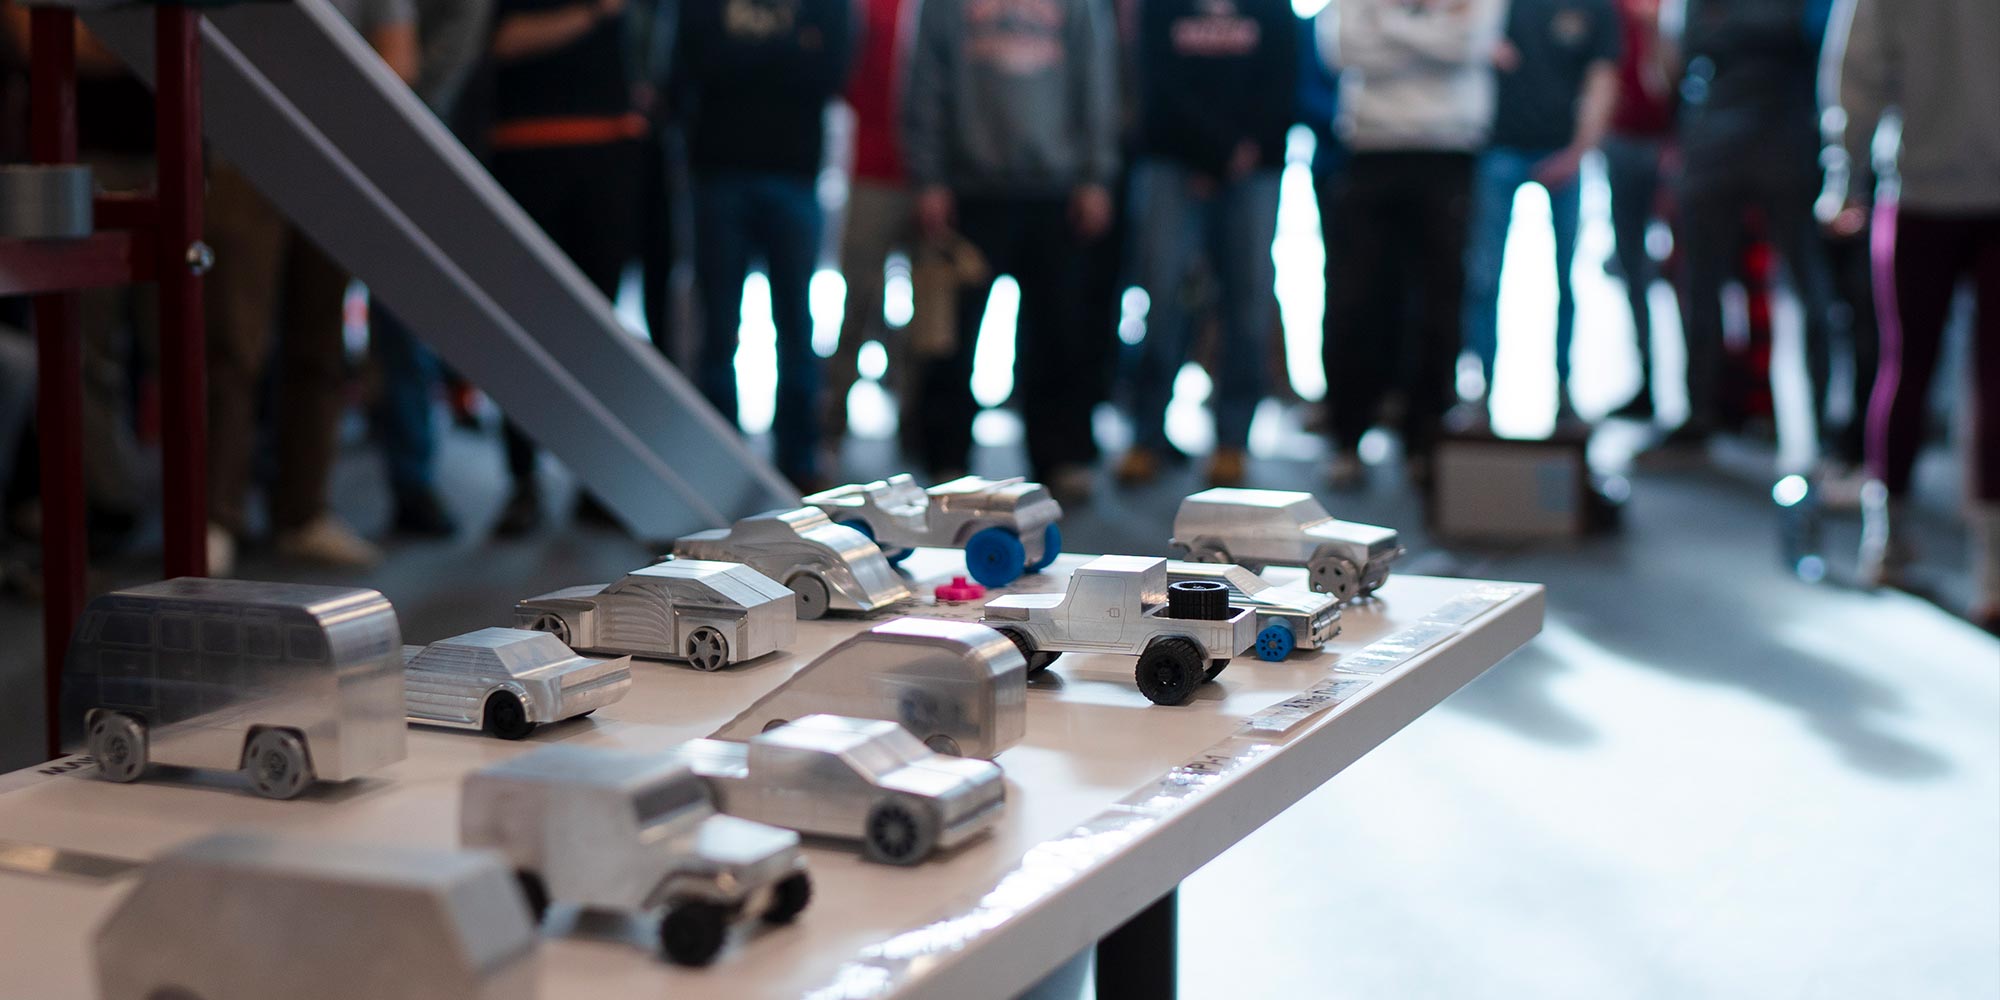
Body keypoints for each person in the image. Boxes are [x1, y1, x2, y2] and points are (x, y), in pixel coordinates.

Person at [202, 0, 416, 574]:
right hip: (241, 155)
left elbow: (396, 56)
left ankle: (303, 513)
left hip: (331, 162)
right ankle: (215, 516)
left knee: (319, 344)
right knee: (231, 345)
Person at [1827, 0, 2000, 627]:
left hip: (1921, 193)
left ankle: (1890, 540)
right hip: (1925, 192)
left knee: (1907, 365)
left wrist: (1844, 176)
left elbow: (1855, 72)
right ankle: (1985, 570)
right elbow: (1859, 69)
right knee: (1964, 376)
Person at [903, 0, 1117, 498]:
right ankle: (945, 459)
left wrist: (1095, 176)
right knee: (953, 335)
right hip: (969, 190)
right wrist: (929, 177)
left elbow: (1097, 82)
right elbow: (924, 82)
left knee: (1058, 332)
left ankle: (1059, 456)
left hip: (1057, 189)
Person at [1318, 0, 1503, 490]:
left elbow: (1469, 45)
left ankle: (1425, 437)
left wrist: (1387, 23)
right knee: (1356, 297)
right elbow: (1342, 48)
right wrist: (1430, 33)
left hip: (1449, 149)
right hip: (1369, 148)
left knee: (1440, 302)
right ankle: (1347, 435)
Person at [1113, 0, 1296, 489]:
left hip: (1253, 167)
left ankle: (1233, 439)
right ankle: (1145, 433)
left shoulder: (1272, 7)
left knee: (1248, 302)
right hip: (1173, 162)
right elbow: (1154, 80)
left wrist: (1239, 152)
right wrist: (1209, 153)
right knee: (1162, 297)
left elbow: (1283, 77)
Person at [676, 0, 852, 491]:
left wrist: (743, 57)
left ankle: (798, 457)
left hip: (793, 171)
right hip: (719, 171)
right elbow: (697, 61)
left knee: (796, 323)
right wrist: (790, 49)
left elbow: (832, 69)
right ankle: (717, 459)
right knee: (717, 327)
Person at [485, 0, 646, 535]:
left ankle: (597, 481)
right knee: (522, 328)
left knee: (600, 330)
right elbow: (500, 40)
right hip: (526, 151)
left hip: (607, 151)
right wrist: (590, 14)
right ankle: (522, 479)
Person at [1668, 0, 1835, 450]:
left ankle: (1821, 421)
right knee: (1701, 286)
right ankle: (1701, 411)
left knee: (1807, 288)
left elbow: (1822, 37)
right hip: (1722, 146)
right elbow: (1689, 45)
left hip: (1784, 144)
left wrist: (1732, 28)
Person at [1460, 0, 1619, 425]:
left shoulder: (1595, 9)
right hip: (1497, 148)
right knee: (1484, 275)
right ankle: (1481, 384)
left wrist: (1579, 150)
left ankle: (1565, 386)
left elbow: (1602, 79)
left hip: (1563, 149)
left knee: (1567, 277)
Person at [369, 0, 494, 539]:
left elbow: (439, 63)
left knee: (407, 317)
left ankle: (413, 481)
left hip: (424, 138)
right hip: (361, 123)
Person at [822, 0, 918, 455]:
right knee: (857, 295)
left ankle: (917, 427)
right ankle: (830, 423)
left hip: (932, 177)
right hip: (872, 170)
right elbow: (844, 76)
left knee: (929, 315)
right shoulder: (866, 8)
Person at [1602, 0, 1675, 420]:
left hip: (1671, 144)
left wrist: (1655, 32)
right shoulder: (1613, 10)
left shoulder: (1672, 11)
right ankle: (1646, 380)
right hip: (1623, 141)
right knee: (1632, 266)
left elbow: (1670, 81)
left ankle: (1701, 397)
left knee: (1685, 274)